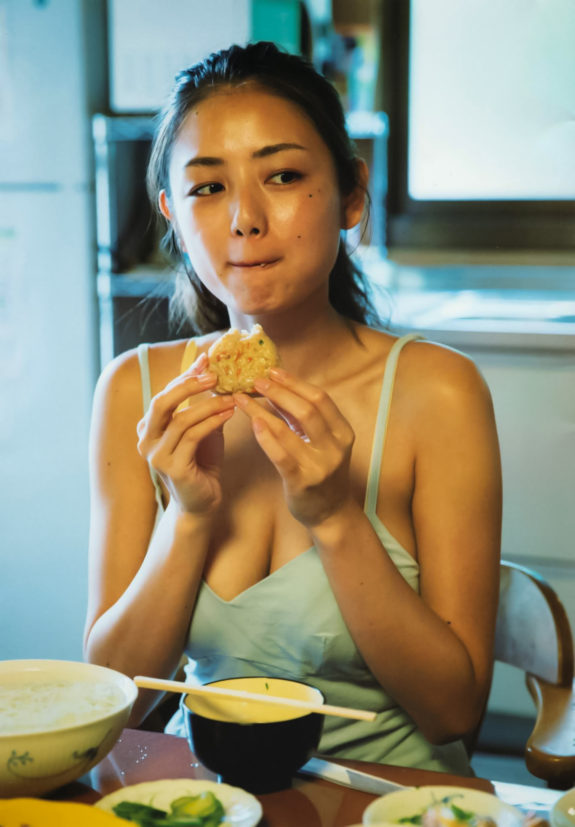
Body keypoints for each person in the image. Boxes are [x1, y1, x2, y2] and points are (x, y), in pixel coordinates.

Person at [84, 42, 502, 774]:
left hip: (391, 805)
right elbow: (115, 702)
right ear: (172, 215)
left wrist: (336, 516)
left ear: (350, 194)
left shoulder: (439, 391)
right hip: (205, 797)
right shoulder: (133, 391)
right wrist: (187, 516)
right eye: (208, 187)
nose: (245, 218)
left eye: (282, 176)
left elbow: (454, 712)